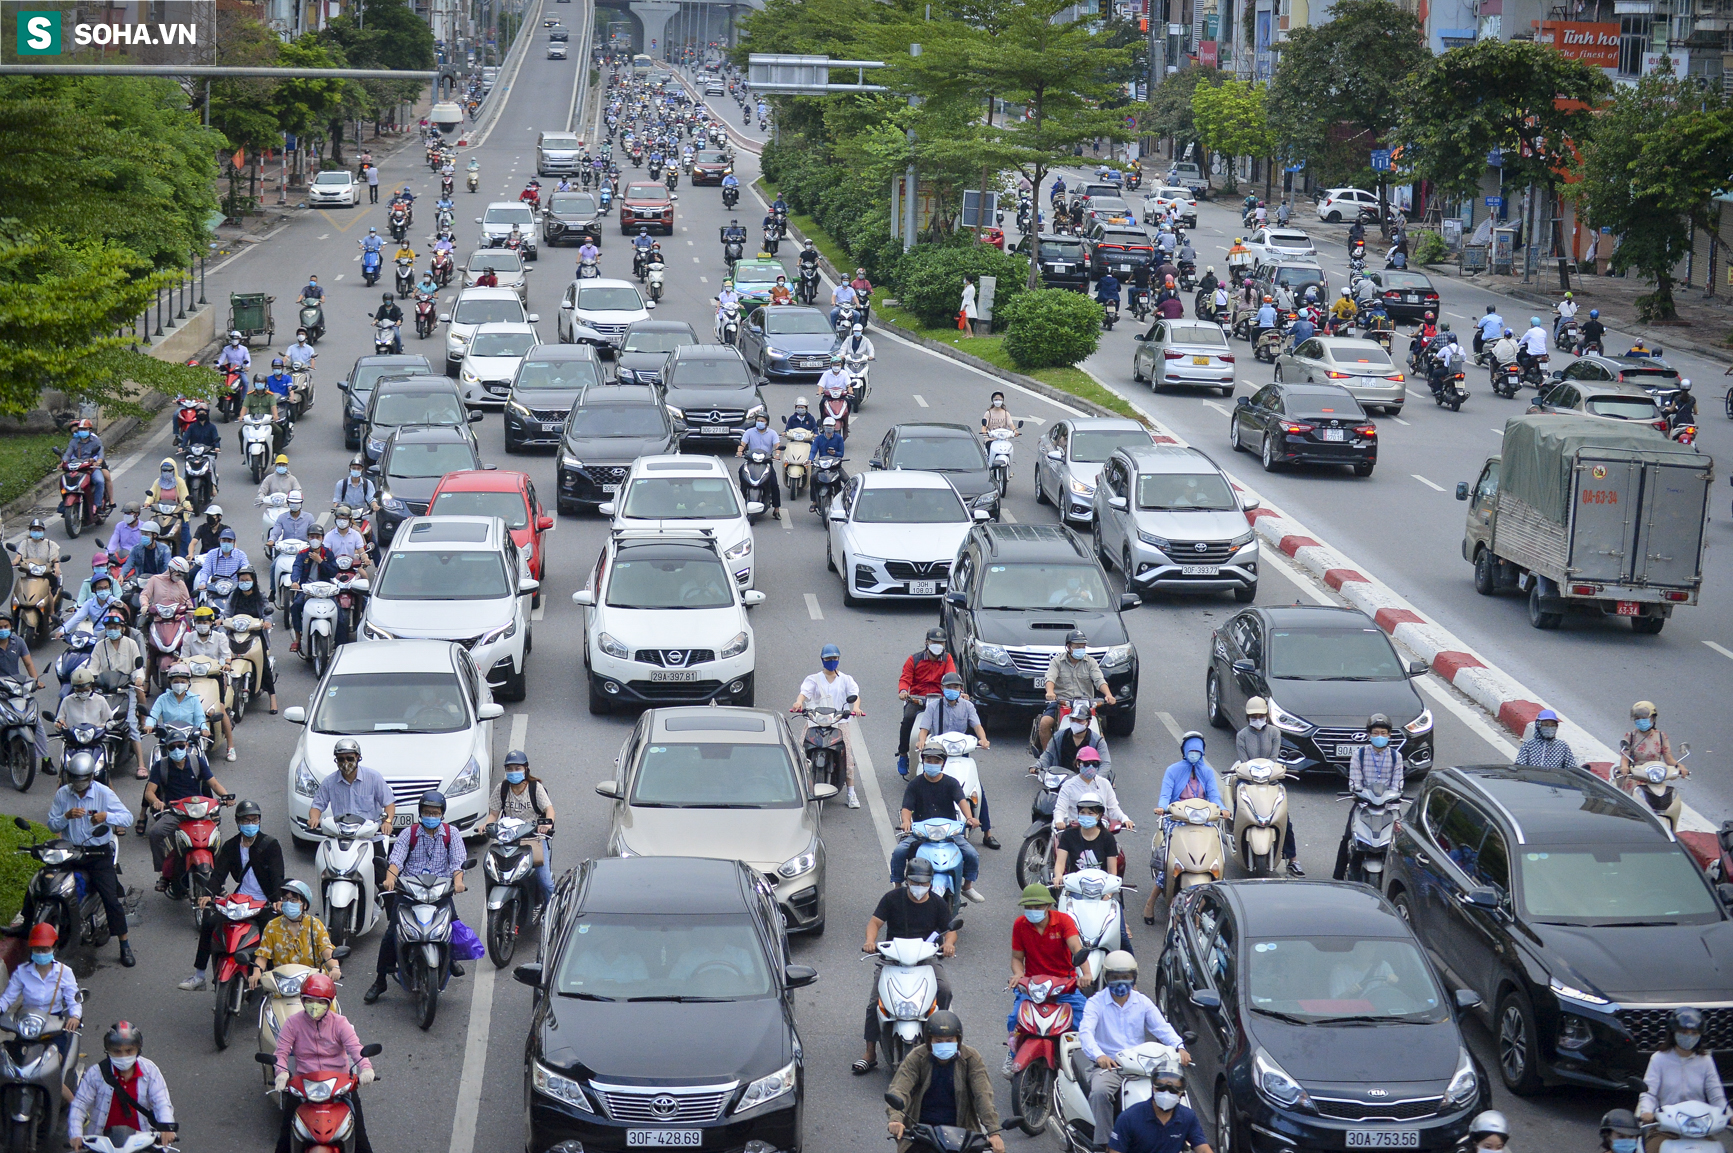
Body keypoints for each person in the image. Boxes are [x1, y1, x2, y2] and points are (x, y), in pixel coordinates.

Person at [853, 860, 957, 1075]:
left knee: (945, 989)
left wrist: (948, 944)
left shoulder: (937, 903)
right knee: (875, 1002)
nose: (919, 887)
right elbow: (874, 923)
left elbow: (951, 930)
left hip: (925, 959)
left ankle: (941, 1033)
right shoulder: (892, 899)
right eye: (914, 882)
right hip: (892, 958)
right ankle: (870, 1053)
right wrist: (870, 941)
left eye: (924, 882)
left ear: (930, 882)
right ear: (907, 881)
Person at [364, 790, 467, 1003]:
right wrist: (390, 878)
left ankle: (450, 959)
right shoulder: (408, 834)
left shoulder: (452, 834)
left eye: (435, 812)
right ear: (420, 813)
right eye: (427, 812)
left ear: (442, 814)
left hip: (440, 892)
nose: (431, 816)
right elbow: (396, 860)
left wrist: (458, 882)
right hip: (409, 892)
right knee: (391, 933)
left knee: (453, 925)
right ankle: (380, 979)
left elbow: (457, 862)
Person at [1079, 952, 1191, 1147]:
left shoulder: (1142, 1002)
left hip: (1142, 1066)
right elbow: (1086, 1033)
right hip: (1111, 1067)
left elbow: (1161, 1027)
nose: (1121, 983)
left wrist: (1179, 1046)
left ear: (1134, 977)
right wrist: (1099, 1056)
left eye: (1126, 977)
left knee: (1169, 1090)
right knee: (1099, 1092)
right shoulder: (1095, 1003)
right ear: (1106, 977)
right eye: (1115, 977)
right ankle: (1103, 1144)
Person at [43, 757, 134, 965]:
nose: (78, 785)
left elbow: (127, 818)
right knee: (48, 882)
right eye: (74, 779)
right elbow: (52, 824)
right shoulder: (63, 794)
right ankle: (27, 925)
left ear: (91, 777)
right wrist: (66, 816)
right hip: (71, 852)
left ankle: (124, 944)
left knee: (110, 898)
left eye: (82, 780)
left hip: (97, 853)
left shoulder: (103, 793)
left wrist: (106, 817)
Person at [274, 973, 375, 1153]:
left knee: (361, 1140)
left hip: (341, 1085)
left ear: (330, 1003)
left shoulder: (340, 1023)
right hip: (304, 1084)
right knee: (284, 1140)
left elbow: (356, 1048)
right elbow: (281, 1053)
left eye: (321, 1002)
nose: (315, 1006)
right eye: (310, 1000)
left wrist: (366, 1069)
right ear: (302, 1000)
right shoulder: (292, 1023)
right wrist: (281, 1073)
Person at [884, 1012, 1004, 1153]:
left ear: (958, 1040)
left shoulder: (971, 1058)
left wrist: (994, 1132)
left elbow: (983, 1096)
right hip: (923, 1132)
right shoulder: (917, 1057)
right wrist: (896, 1119)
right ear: (929, 1041)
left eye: (949, 1040)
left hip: (962, 1133)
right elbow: (899, 1089)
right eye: (938, 1041)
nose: (944, 1045)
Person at [1004, 883, 1087, 1071]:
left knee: (1085, 1019)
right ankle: (1012, 1054)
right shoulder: (1020, 925)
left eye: (1038, 907)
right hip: (1034, 987)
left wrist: (1086, 974)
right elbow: (1017, 958)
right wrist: (1018, 975)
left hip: (1064, 986)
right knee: (1015, 1019)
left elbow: (1076, 948)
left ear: (1048, 906)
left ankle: (1085, 1059)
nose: (1033, 911)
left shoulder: (1063, 921)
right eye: (1029, 907)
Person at [143, 719, 231, 890]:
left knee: (217, 841)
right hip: (175, 812)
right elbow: (149, 792)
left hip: (199, 810)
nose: (177, 750)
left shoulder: (197, 762)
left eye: (181, 746)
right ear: (167, 749)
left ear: (187, 745)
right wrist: (157, 802)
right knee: (155, 833)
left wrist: (226, 796)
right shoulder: (161, 766)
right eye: (172, 747)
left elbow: (213, 783)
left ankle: (218, 880)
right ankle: (164, 874)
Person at [891, 742, 985, 902]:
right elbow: (906, 807)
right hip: (921, 832)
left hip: (949, 833)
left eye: (936, 761)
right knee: (899, 852)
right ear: (923, 761)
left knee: (972, 854)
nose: (932, 764)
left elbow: (962, 800)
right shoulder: (915, 784)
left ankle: (967, 886)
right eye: (929, 761)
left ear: (943, 763)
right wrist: (906, 822)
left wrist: (970, 818)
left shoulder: (951, 783)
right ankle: (897, 888)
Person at [912, 673, 995, 847]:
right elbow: (924, 728)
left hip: (961, 754)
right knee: (922, 784)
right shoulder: (933, 707)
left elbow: (977, 726)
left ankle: (987, 832)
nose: (952, 690)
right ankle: (914, 827)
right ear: (942, 688)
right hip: (938, 753)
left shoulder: (967, 706)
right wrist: (921, 740)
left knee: (977, 789)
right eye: (949, 687)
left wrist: (983, 739)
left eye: (956, 687)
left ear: (960, 689)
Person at [67, 1021, 176, 1150]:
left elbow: (161, 1102)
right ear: (108, 1051)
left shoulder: (150, 1070)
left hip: (141, 1143)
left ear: (138, 1049)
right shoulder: (95, 1074)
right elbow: (79, 1105)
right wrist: (76, 1135)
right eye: (117, 1052)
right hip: (102, 1145)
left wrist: (166, 1126)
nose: (123, 1056)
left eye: (129, 1050)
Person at [0, 923, 81, 1082]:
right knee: (13, 1064)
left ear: (54, 948)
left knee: (53, 1070)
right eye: (37, 949)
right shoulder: (22, 972)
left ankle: (76, 1105)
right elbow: (8, 997)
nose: (41, 953)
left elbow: (73, 999)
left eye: (45, 949)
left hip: (53, 1025)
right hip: (26, 1023)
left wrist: (75, 1017)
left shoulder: (64, 972)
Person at [1233, 697, 1301, 875]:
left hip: (1270, 779)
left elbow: (1273, 759)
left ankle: (1292, 859)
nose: (1257, 719)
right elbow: (1244, 761)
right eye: (1253, 716)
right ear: (1248, 717)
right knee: (1238, 810)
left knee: (1283, 818)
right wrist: (1252, 775)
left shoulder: (1274, 733)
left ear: (1266, 716)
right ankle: (1235, 839)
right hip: (1248, 779)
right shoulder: (1241, 736)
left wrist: (1267, 775)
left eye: (1260, 715)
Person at [793, 644, 864, 809]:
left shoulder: (846, 679)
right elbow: (804, 694)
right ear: (822, 660)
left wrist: (856, 708)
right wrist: (799, 702)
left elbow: (855, 696)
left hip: (839, 722)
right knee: (800, 753)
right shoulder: (814, 679)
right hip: (816, 721)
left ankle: (851, 793)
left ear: (838, 659)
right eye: (828, 659)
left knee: (848, 758)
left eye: (834, 658)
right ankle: (797, 787)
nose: (831, 661)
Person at [1333, 713, 1403, 879]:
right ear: (1369, 735)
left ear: (1389, 735)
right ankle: (1337, 877)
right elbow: (1355, 781)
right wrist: (1359, 795)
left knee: (1398, 843)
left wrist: (1393, 799)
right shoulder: (1360, 755)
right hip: (1364, 804)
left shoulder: (1396, 757)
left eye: (1383, 733)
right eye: (1376, 733)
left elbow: (1397, 783)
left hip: (1388, 806)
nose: (1380, 736)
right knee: (1348, 838)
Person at [486, 750, 556, 902]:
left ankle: (552, 912)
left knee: (545, 882)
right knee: (496, 873)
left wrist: (547, 824)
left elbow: (549, 809)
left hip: (534, 838)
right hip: (509, 838)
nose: (513, 772)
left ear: (526, 769)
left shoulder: (535, 788)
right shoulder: (502, 789)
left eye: (517, 768)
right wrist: (485, 826)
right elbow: (493, 814)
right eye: (509, 769)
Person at [251, 879, 341, 989]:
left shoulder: (315, 925)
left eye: (293, 900)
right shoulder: (272, 926)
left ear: (304, 905)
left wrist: (335, 968)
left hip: (313, 985)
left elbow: (327, 951)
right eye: (285, 899)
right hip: (283, 985)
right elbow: (262, 956)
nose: (288, 903)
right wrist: (256, 972)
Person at [1038, 631, 1115, 750]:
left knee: (1099, 736)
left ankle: (1101, 761)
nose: (1081, 649)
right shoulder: (1057, 661)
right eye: (1077, 646)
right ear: (1068, 647)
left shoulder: (1090, 662)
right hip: (1061, 703)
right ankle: (1047, 758)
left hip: (1085, 705)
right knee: (1044, 723)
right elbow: (1050, 678)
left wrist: (1108, 695)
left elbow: (1099, 680)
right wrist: (1050, 692)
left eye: (1083, 646)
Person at [897, 629, 958, 776]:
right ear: (927, 642)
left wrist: (958, 693)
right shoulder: (914, 659)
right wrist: (903, 691)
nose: (937, 645)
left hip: (939, 700)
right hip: (918, 699)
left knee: (953, 721)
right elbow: (905, 678)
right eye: (934, 642)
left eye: (941, 642)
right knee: (908, 720)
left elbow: (952, 678)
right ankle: (903, 754)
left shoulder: (947, 659)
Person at [0, 615, 51, 773]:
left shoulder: (18, 642)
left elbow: (28, 663)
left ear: (11, 627)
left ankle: (46, 759)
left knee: (36, 722)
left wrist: (35, 681)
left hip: (16, 688)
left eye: (5, 626)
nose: (3, 630)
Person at [1054, 793, 1120, 878]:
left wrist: (1109, 890)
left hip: (1101, 885)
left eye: (1090, 813)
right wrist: (1058, 875)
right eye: (1082, 812)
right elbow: (1060, 863)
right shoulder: (1068, 835)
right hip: (1076, 884)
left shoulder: (1108, 837)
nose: (1086, 816)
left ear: (1099, 815)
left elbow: (1112, 871)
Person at [735, 411, 783, 520]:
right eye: (758, 421)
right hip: (752, 460)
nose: (759, 423)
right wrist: (739, 451)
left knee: (774, 483)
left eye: (762, 421)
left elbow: (777, 445)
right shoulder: (749, 432)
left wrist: (777, 454)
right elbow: (742, 444)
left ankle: (776, 509)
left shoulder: (772, 433)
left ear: (767, 423)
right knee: (742, 475)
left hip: (766, 461)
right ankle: (741, 504)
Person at [61, 419, 111, 514]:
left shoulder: (96, 441)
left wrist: (98, 462)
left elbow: (100, 454)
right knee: (65, 482)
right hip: (77, 467)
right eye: (80, 429)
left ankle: (98, 505)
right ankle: (63, 505)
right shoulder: (74, 442)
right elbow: (68, 454)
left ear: (90, 430)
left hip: (91, 468)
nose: (82, 431)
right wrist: (63, 461)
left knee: (100, 481)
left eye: (84, 429)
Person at [15, 517, 63, 607]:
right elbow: (19, 556)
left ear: (43, 531)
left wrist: (57, 568)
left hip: (46, 575)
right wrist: (13, 562)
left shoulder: (50, 544)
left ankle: (50, 613)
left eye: (39, 530)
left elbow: (55, 560)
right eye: (34, 530)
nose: (37, 532)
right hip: (30, 574)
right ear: (30, 531)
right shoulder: (25, 543)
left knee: (47, 592)